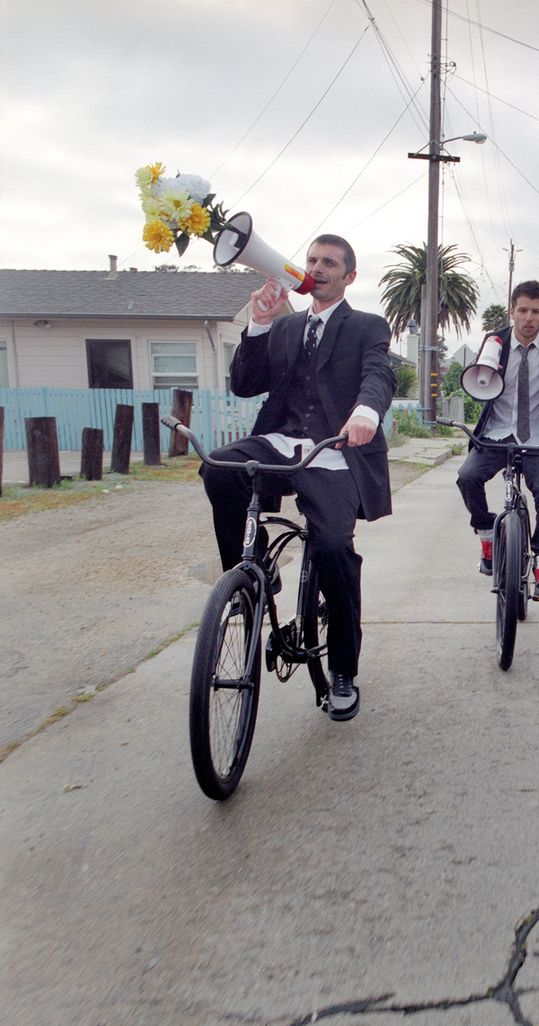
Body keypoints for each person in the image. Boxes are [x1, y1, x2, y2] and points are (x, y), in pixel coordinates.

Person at [202, 235, 396, 722]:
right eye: (312, 260)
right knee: (219, 467)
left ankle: (344, 669)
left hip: (335, 452)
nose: (317, 268)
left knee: (333, 549)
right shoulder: (286, 326)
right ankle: (251, 576)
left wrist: (366, 412)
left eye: (329, 262)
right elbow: (245, 385)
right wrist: (258, 324)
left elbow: (379, 375)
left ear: (349, 276)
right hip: (281, 441)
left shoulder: (367, 326)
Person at [456, 280, 539, 601]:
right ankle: (487, 534)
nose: (529, 318)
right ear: (512, 311)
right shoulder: (495, 341)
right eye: (523, 310)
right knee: (467, 477)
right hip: (496, 433)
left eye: (536, 312)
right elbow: (478, 381)